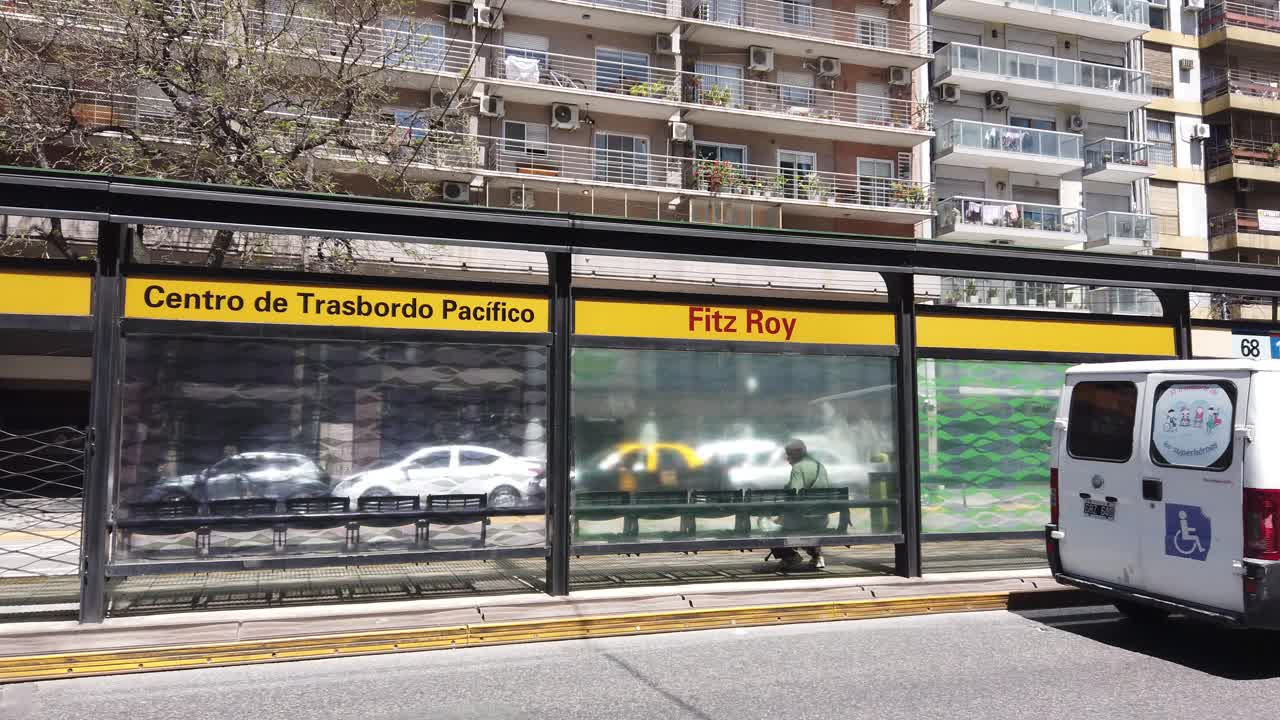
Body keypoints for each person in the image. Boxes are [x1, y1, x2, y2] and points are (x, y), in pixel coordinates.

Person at [769, 439, 830, 572]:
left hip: (803, 519)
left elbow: (794, 494)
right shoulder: (819, 465)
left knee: (771, 531)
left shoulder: (798, 468)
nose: (787, 458)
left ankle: (790, 557)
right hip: (821, 519)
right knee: (808, 529)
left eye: (789, 454)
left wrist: (780, 514)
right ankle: (817, 556)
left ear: (797, 453)